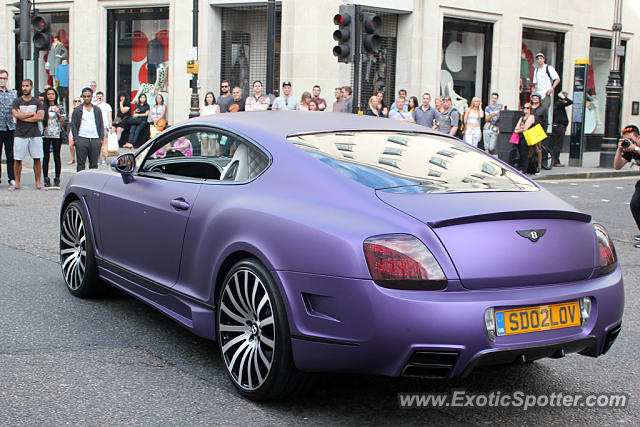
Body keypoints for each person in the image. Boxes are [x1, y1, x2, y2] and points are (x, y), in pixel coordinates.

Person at [10, 79, 45, 190]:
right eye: (23, 86)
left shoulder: (37, 102)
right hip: (20, 133)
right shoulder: (17, 101)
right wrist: (30, 114)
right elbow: (16, 115)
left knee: (37, 158)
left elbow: (40, 117)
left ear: (31, 87)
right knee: (18, 158)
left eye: (27, 86)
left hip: (35, 133)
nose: (24, 88)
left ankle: (38, 183)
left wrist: (22, 116)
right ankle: (17, 183)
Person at [614, 125, 640, 248]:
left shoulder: (634, 148)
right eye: (627, 141)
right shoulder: (630, 150)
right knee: (635, 204)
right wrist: (620, 150)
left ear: (638, 138)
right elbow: (617, 166)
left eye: (632, 140)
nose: (630, 143)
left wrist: (635, 148)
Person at [71, 87, 104, 171]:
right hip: (82, 137)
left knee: (94, 165)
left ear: (92, 96)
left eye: (88, 96)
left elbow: (101, 123)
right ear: (82, 97)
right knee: (81, 164)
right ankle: (80, 182)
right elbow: (73, 125)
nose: (86, 98)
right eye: (84, 96)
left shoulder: (97, 110)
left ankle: (92, 183)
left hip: (95, 138)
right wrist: (75, 138)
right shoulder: (77, 110)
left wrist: (101, 138)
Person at [42, 87, 65, 188]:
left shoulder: (60, 107)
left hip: (57, 134)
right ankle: (46, 178)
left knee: (57, 156)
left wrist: (59, 114)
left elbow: (63, 123)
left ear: (55, 96)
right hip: (46, 134)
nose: (51, 96)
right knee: (46, 157)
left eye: (53, 94)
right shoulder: (43, 107)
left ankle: (57, 178)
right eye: (49, 94)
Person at [0, 69, 17, 187]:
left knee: (11, 154)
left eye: (4, 78)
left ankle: (12, 177)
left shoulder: (12, 93)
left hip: (10, 127)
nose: (2, 81)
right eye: (0, 78)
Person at [513, 103, 536, 175]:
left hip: (526, 138)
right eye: (524, 108)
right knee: (520, 154)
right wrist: (520, 129)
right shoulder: (522, 118)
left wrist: (519, 129)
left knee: (524, 154)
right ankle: (523, 169)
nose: (525, 109)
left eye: (527, 108)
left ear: (530, 109)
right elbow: (515, 129)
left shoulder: (531, 117)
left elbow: (526, 128)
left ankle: (525, 170)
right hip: (520, 137)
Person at [551, 91, 572, 167]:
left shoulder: (559, 104)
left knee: (557, 145)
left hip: (560, 126)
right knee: (558, 145)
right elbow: (570, 102)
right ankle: (556, 161)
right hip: (559, 127)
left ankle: (556, 160)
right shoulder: (559, 104)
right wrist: (564, 98)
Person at [530, 93, 547, 174]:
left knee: (538, 149)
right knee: (529, 149)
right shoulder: (529, 108)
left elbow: (545, 122)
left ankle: (539, 165)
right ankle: (530, 165)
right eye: (534, 97)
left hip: (538, 130)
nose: (535, 99)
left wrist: (543, 132)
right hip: (529, 130)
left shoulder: (543, 109)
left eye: (537, 97)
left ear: (539, 99)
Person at [95, 91, 113, 166]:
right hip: (95, 126)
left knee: (104, 143)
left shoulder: (107, 106)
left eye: (101, 96)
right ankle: (97, 159)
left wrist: (110, 126)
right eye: (98, 96)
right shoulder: (93, 105)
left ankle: (104, 159)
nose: (99, 97)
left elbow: (109, 116)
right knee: (96, 143)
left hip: (104, 126)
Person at [201, 92, 220, 156]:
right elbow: (200, 117)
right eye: (207, 97)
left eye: (210, 97)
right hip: (204, 128)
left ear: (213, 98)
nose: (209, 99)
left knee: (213, 146)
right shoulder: (203, 106)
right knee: (204, 146)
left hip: (212, 127)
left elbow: (218, 117)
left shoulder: (216, 106)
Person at [67, 97, 82, 164]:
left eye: (79, 101)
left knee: (79, 145)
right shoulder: (72, 109)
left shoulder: (82, 109)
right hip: (73, 127)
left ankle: (79, 159)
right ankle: (73, 159)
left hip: (80, 128)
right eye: (75, 101)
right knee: (71, 145)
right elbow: (70, 116)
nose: (77, 102)